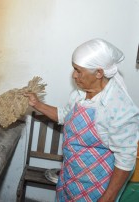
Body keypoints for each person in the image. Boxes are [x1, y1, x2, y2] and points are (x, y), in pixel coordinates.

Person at [24, 38, 139, 202]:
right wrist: (37, 104)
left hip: (97, 188)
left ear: (99, 73)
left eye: (78, 70)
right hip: (71, 176)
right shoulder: (80, 93)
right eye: (73, 69)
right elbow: (65, 115)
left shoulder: (119, 107)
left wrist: (108, 198)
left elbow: (126, 159)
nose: (74, 75)